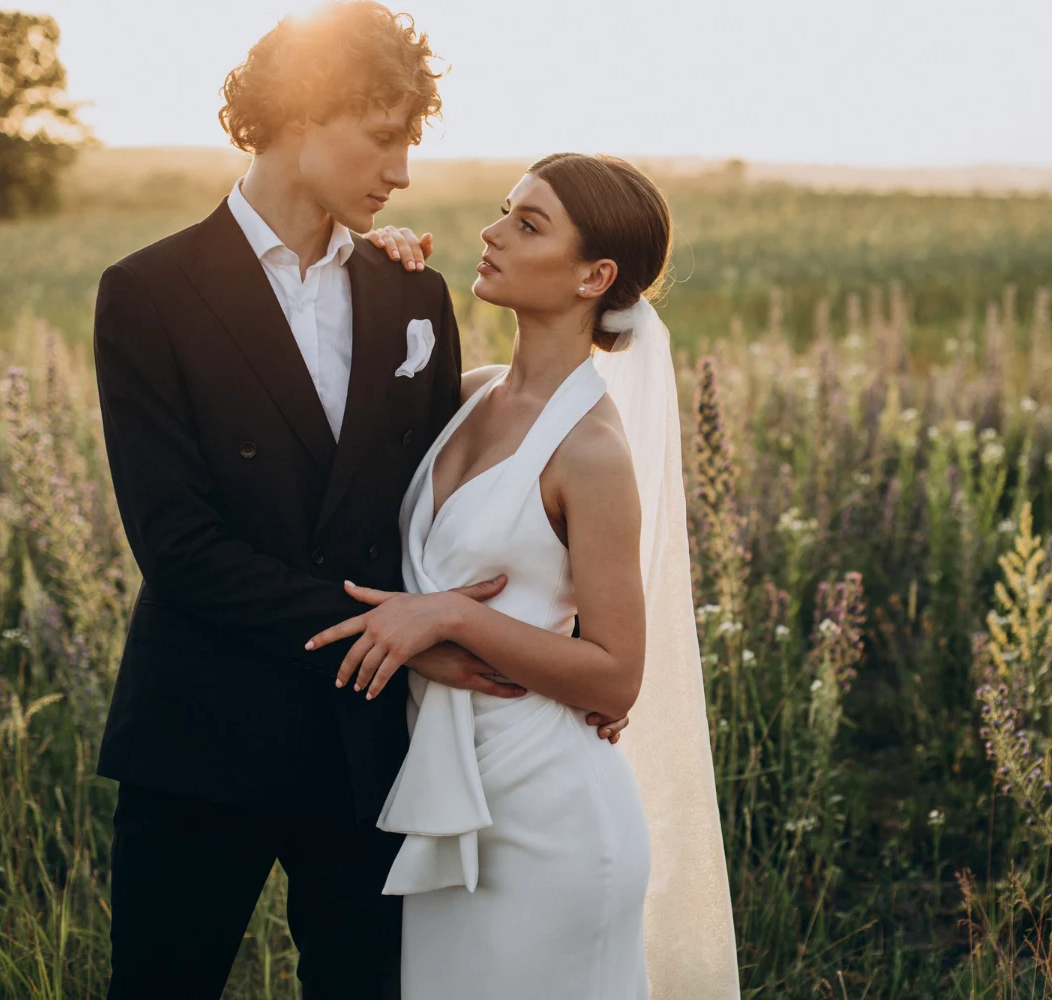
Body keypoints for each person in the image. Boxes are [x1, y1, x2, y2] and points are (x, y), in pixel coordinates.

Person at [91, 5, 625, 996]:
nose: (403, 174)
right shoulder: (148, 292)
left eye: (410, 143)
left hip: (372, 747)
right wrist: (414, 634)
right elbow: (179, 548)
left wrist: (563, 642)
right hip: (201, 733)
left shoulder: (411, 295)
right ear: (301, 113)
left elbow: (441, 509)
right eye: (384, 139)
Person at [309, 153, 739, 997]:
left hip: (550, 814)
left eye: (528, 224)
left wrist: (449, 619)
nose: (491, 232)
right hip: (444, 800)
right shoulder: (468, 395)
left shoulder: (592, 450)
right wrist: (378, 265)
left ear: (595, 276)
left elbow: (616, 678)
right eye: (506, 211)